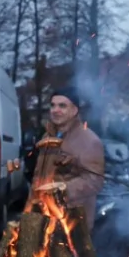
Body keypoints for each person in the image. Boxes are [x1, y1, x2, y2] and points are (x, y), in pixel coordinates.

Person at [29, 87, 105, 229]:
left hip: (72, 223)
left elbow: (95, 181)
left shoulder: (89, 140)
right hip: (44, 218)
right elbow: (38, 176)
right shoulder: (47, 137)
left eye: (62, 106)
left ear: (74, 110)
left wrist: (60, 191)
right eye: (53, 105)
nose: (55, 110)